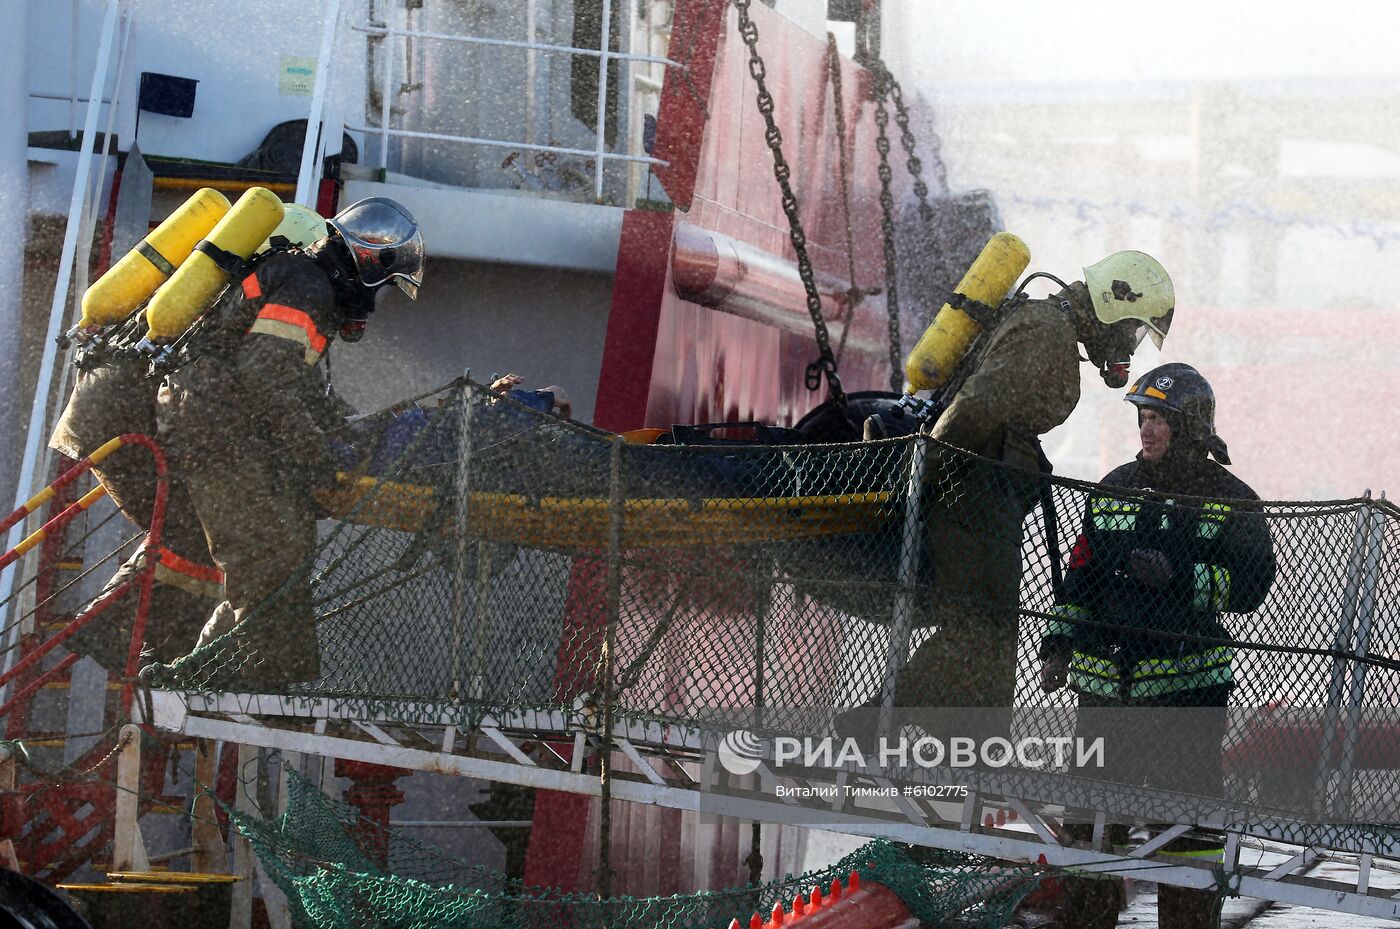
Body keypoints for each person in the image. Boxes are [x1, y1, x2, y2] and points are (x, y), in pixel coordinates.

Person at [862, 250, 1177, 726]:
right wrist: (914, 480)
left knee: (986, 631)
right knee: (982, 630)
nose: (1129, 344)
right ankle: (878, 724)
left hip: (984, 494)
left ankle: (959, 744)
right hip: (974, 496)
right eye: (1132, 328)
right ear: (1114, 302)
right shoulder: (1046, 331)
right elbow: (976, 408)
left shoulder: (1050, 327)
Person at [1039, 363, 1276, 929]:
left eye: (1158, 419)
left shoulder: (1231, 498)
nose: (1146, 429)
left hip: (1186, 697)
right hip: (1105, 692)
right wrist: (1059, 643)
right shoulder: (1113, 487)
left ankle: (1190, 920)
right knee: (1092, 822)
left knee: (1188, 826)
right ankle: (1087, 920)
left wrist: (1180, 578)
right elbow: (1081, 579)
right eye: (1143, 417)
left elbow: (1251, 586)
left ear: (1189, 426)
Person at [155, 197, 424, 689]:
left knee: (285, 547)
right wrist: (314, 453)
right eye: (384, 286)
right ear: (367, 265)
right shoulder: (306, 287)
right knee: (265, 553)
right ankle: (242, 676)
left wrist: (349, 427)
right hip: (218, 434)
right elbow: (266, 376)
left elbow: (300, 386)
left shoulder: (305, 281)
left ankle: (234, 672)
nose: (377, 301)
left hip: (223, 429)